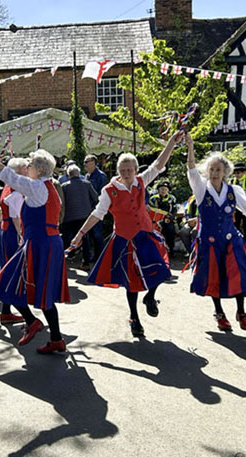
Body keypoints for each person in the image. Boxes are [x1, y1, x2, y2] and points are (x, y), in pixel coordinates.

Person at [72, 132, 184, 338]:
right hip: (125, 240)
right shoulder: (109, 190)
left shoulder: (141, 181)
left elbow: (159, 164)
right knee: (131, 281)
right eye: (123, 170)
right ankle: (134, 318)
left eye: (130, 170)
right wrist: (80, 234)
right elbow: (98, 213)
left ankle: (150, 297)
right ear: (117, 171)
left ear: (135, 170)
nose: (126, 173)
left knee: (162, 269)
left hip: (145, 234)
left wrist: (171, 143)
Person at [0, 146, 71, 354]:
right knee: (44, 293)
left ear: (40, 170)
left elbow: (7, 174)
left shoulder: (36, 187)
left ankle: (35, 324)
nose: (28, 167)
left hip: (38, 243)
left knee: (9, 283)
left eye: (31, 165)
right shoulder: (49, 188)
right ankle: (55, 338)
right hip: (48, 243)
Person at [186, 135, 246, 332]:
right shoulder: (200, 188)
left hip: (231, 240)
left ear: (225, 172)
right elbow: (190, 169)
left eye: (218, 170)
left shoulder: (234, 190)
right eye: (211, 169)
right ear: (207, 171)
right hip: (210, 241)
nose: (214, 173)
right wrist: (190, 146)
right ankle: (219, 313)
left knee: (238, 273)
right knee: (213, 276)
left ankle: (241, 312)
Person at [0, 157, 28, 325]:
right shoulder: (15, 190)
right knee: (13, 270)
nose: (27, 170)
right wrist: (21, 235)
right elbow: (16, 217)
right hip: (12, 232)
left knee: (8, 268)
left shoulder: (9, 187)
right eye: (24, 168)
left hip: (5, 230)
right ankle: (13, 309)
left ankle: (6, 311)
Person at [61, 164, 98, 271]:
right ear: (78, 173)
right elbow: (96, 198)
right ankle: (86, 263)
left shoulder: (65, 186)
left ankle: (63, 260)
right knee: (85, 240)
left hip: (69, 217)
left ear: (69, 175)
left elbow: (62, 203)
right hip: (85, 217)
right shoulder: (87, 184)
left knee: (67, 239)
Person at [84, 154, 109, 261]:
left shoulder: (101, 176)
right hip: (87, 209)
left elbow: (103, 194)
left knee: (97, 234)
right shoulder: (86, 176)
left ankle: (101, 257)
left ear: (94, 162)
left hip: (97, 209)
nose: (85, 164)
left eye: (87, 161)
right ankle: (95, 256)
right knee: (90, 235)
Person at [230, 162, 246, 247]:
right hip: (236, 207)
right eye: (235, 173)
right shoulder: (231, 181)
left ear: (243, 172)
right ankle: (236, 243)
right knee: (235, 225)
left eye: (238, 172)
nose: (237, 175)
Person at [148, 181, 177, 254]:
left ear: (168, 190)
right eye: (162, 189)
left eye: (165, 189)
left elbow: (174, 211)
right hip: (155, 219)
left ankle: (170, 249)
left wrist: (168, 218)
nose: (163, 191)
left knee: (170, 229)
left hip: (168, 219)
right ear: (158, 190)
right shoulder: (153, 198)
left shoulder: (172, 198)